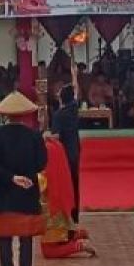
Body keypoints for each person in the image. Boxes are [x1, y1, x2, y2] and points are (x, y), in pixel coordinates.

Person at [0, 91, 47, 266]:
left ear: (5, 114)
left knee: (5, 241)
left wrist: (10, 177)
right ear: (24, 114)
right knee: (26, 241)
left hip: (3, 194)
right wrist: (23, 176)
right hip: (27, 194)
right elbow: (41, 164)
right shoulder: (34, 136)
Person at [38, 134, 94, 260]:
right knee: (56, 239)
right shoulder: (54, 146)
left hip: (52, 209)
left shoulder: (46, 150)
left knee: (48, 251)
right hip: (59, 205)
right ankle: (74, 234)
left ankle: (79, 245)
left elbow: (41, 182)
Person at [49, 84, 81, 222]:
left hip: (63, 154)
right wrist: (74, 76)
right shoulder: (74, 109)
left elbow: (55, 136)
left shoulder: (59, 115)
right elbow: (76, 93)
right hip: (75, 151)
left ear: (61, 98)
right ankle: (75, 215)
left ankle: (65, 213)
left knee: (64, 185)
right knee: (74, 183)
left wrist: (45, 136)